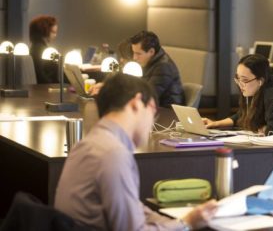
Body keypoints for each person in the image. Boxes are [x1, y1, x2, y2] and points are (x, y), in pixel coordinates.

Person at [55, 73, 217, 231]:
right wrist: (187, 224)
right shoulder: (113, 154)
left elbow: (134, 208)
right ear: (137, 103)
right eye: (153, 111)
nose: (152, 121)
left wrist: (180, 221)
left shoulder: (90, 143)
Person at [204, 54, 273, 140]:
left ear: (260, 81)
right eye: (238, 79)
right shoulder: (256, 91)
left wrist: (266, 129)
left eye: (245, 80)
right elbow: (243, 115)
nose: (240, 84)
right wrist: (215, 123)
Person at [130, 31, 184, 108]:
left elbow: (148, 96)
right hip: (156, 108)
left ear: (151, 52)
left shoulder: (164, 67)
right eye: (134, 53)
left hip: (168, 112)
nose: (134, 58)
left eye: (138, 54)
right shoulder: (148, 62)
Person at [29, 15, 59, 84]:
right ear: (44, 31)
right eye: (53, 32)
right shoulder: (40, 50)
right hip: (44, 88)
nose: (55, 35)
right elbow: (40, 75)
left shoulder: (35, 47)